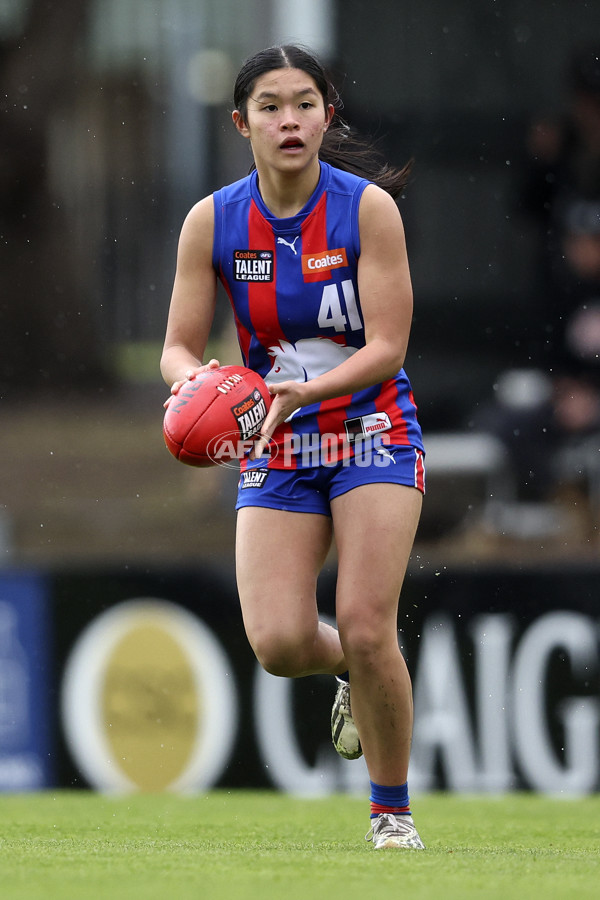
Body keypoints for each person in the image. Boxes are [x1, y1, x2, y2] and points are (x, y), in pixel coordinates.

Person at [160, 44, 425, 850]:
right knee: (277, 644)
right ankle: (361, 669)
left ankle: (391, 816)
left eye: (305, 103)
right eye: (270, 106)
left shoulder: (368, 210)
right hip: (276, 445)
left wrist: (311, 390)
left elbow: (388, 346)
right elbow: (176, 347)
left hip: (369, 429)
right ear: (241, 123)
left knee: (366, 620)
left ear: (327, 114)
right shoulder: (213, 220)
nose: (290, 120)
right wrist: (198, 384)